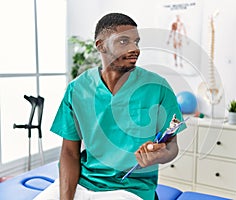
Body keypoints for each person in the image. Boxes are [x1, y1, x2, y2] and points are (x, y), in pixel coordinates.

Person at [34, 13, 184, 200]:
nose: (134, 49)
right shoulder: (77, 89)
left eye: (136, 42)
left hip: (129, 189)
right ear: (101, 45)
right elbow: (69, 152)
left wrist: (159, 155)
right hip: (82, 182)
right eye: (124, 42)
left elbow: (172, 146)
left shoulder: (158, 88)